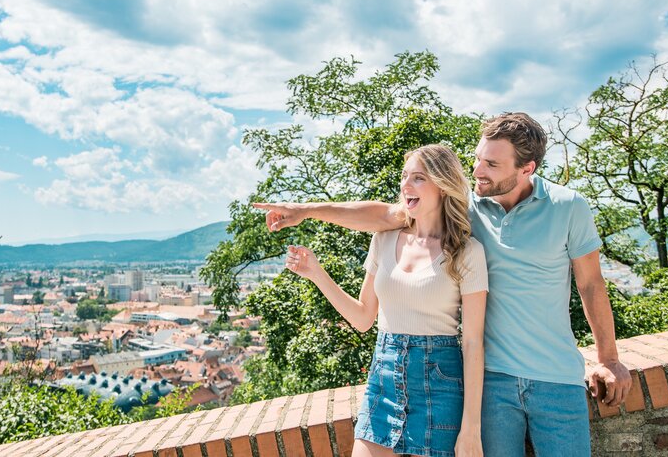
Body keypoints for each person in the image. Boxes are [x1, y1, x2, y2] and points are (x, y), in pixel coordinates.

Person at [255, 112, 632, 456]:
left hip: (554, 376)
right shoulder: (468, 209)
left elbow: (591, 285)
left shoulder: (567, 207)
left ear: (526, 168)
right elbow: (383, 215)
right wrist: (305, 210)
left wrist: (609, 359)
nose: (479, 171)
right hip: (491, 382)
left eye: (491, 164)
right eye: (478, 158)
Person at [283, 144, 487, 457]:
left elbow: (473, 342)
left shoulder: (466, 252)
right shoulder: (384, 239)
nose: (406, 185)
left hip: (439, 384)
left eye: (418, 178)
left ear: (443, 186)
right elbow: (364, 317)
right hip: (384, 376)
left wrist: (470, 430)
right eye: (405, 176)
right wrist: (316, 273)